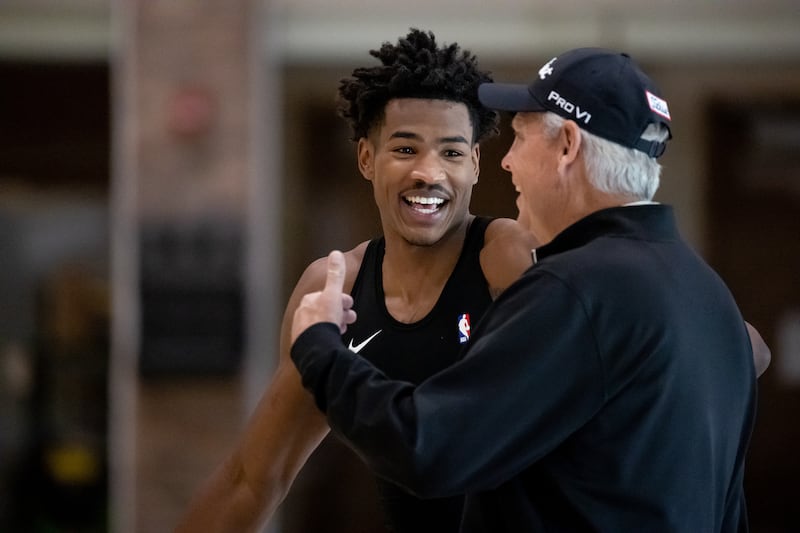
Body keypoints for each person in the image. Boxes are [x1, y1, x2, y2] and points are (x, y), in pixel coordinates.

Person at [289, 47, 761, 532]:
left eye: (519, 137)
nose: (507, 162)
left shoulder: (576, 290)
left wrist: (320, 348)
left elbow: (428, 449)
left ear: (567, 146)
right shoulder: (709, 294)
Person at [175, 28, 538, 533]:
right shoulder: (333, 290)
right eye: (406, 150)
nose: (429, 173)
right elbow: (254, 478)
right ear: (367, 159)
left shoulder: (508, 256)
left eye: (452, 153)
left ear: (475, 164)